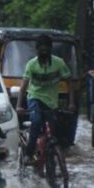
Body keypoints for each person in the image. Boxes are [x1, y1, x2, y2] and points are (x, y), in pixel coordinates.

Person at [16, 34, 74, 164]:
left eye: (46, 48)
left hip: (52, 101)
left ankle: (54, 157)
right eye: (41, 48)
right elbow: (23, 87)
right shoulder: (31, 65)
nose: (43, 51)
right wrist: (19, 105)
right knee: (36, 122)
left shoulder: (59, 63)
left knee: (55, 128)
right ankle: (29, 154)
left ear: (50, 49)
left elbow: (70, 82)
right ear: (37, 50)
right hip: (34, 97)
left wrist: (71, 103)